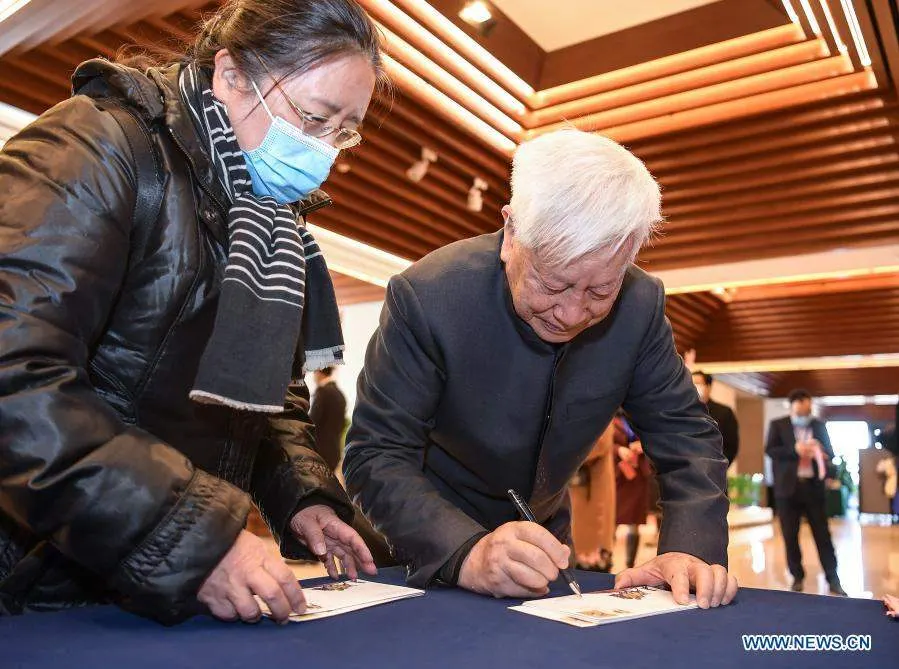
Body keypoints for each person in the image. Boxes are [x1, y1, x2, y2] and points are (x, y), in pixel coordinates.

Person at [0, 0, 385, 624]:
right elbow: (14, 376)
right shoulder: (94, 147)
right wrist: (188, 533)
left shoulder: (268, 223)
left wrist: (303, 496)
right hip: (29, 580)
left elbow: (262, 398)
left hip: (147, 583)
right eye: (314, 118)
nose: (324, 150)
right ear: (231, 75)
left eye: (345, 131)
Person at [344, 129, 738, 610]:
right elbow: (376, 454)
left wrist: (689, 548)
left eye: (599, 292)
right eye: (553, 284)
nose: (570, 315)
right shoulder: (428, 297)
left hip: (545, 549)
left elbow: (686, 437)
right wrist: (467, 551)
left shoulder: (639, 306)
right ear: (511, 233)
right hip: (426, 546)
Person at [766, 389, 846, 596]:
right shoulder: (778, 425)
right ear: (792, 406)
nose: (805, 414)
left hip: (813, 487)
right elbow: (770, 450)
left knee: (823, 535)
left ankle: (833, 578)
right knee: (790, 535)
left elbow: (830, 452)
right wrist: (795, 450)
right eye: (801, 410)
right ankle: (797, 577)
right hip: (787, 489)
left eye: (808, 410)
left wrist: (820, 451)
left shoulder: (818, 426)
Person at [569, 422, 615, 572]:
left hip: (592, 491)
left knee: (590, 556)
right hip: (576, 488)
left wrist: (563, 451)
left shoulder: (602, 413)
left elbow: (600, 444)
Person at [613, 413, 651, 569]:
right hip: (617, 475)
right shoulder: (610, 418)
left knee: (634, 521)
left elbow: (655, 439)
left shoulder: (640, 416)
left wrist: (643, 445)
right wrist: (619, 450)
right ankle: (606, 559)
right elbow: (600, 444)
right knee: (612, 519)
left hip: (638, 475)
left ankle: (630, 564)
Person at [692, 371, 740, 465]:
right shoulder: (682, 411)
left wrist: (718, 466)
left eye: (698, 384)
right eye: (691, 384)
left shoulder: (723, 412)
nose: (694, 387)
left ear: (708, 387)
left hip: (714, 467)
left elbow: (731, 446)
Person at [310, 367, 349, 472]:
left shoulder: (322, 393)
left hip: (319, 453)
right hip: (334, 453)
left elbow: (312, 422)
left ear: (319, 373)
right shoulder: (340, 395)